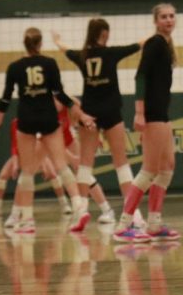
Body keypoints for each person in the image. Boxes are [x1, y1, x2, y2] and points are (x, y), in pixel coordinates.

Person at [0, 28, 94, 235]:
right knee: (62, 166)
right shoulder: (49, 64)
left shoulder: (15, 67)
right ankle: (78, 207)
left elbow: (5, 97)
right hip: (48, 116)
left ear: (25, 44)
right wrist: (81, 114)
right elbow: (60, 94)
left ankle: (27, 220)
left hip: (27, 118)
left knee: (28, 170)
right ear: (40, 45)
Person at [54, 19, 142, 225]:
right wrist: (156, 34)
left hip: (90, 113)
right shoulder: (110, 53)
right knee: (121, 162)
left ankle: (81, 211)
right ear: (103, 34)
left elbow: (66, 50)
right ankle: (133, 214)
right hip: (111, 112)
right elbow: (137, 46)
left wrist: (57, 41)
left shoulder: (81, 56)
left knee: (85, 164)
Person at [113, 4, 180, 243]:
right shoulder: (154, 43)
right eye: (164, 17)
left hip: (162, 113)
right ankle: (123, 226)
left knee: (167, 166)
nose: (169, 20)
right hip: (152, 113)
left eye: (172, 16)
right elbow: (140, 75)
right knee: (149, 170)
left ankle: (153, 223)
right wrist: (139, 112)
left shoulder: (165, 45)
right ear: (156, 20)